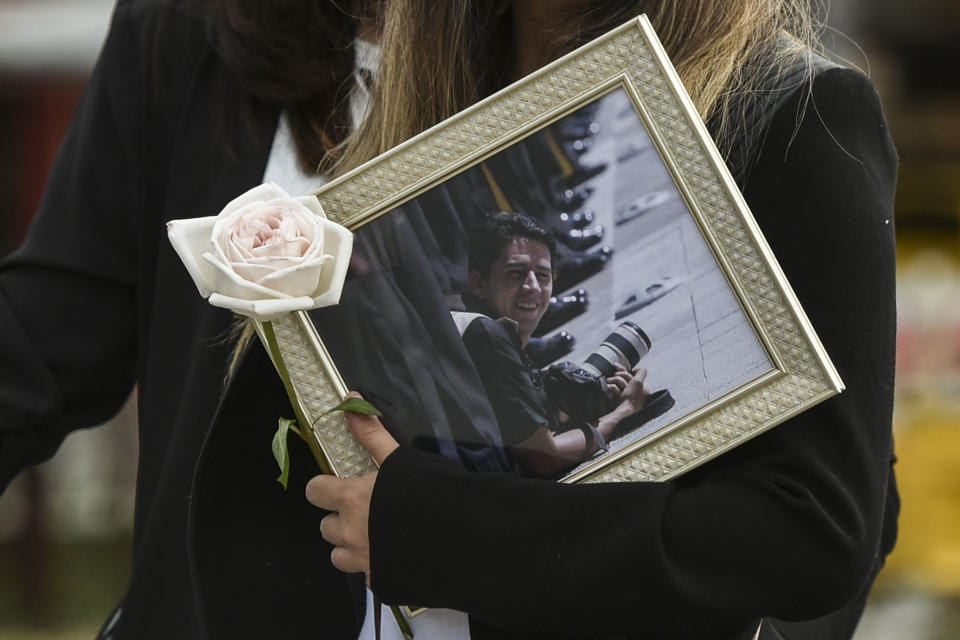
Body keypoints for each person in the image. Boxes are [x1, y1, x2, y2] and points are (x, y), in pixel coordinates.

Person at [0, 2, 898, 640]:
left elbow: (822, 515)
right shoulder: (211, 38)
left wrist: (450, 531)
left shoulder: (763, 105)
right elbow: (46, 340)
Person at [453, 210, 652, 478]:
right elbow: (544, 459)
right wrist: (624, 410)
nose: (533, 287)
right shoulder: (487, 335)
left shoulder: (456, 311)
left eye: (543, 275)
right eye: (516, 273)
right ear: (479, 282)